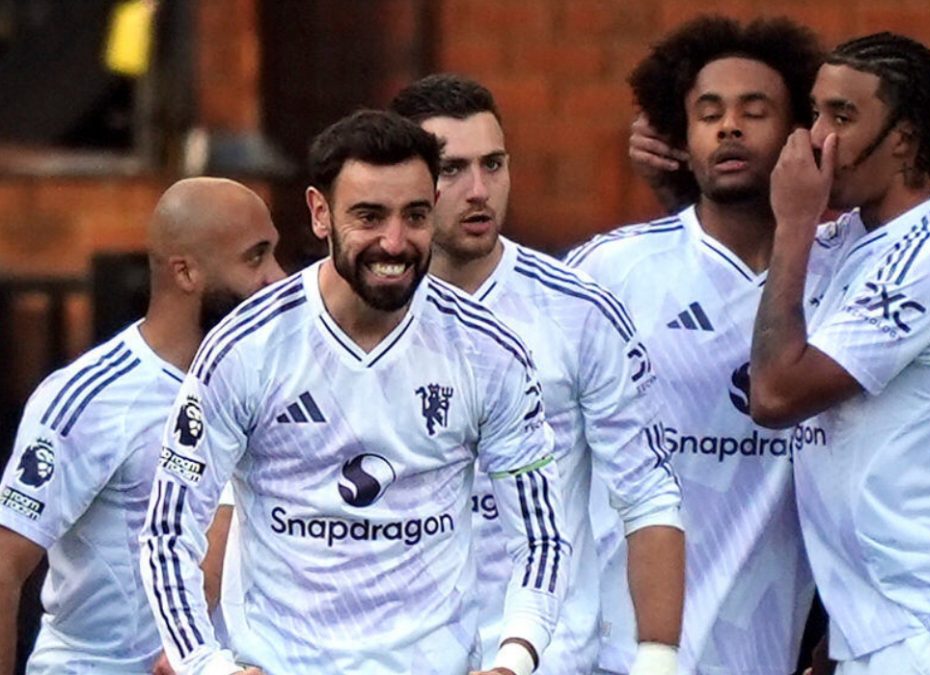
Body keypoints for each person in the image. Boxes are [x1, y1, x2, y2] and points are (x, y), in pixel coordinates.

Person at [139, 110, 570, 675]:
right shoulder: (246, 347)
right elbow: (169, 531)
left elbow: (541, 538)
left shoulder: (487, 351)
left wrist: (513, 660)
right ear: (321, 214)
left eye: (415, 215)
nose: (394, 241)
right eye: (369, 216)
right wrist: (206, 664)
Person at [749, 32, 930, 673]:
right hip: (876, 633)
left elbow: (775, 394)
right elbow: (747, 286)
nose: (818, 138)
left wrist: (795, 225)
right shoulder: (847, 238)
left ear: (904, 139)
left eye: (843, 117)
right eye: (816, 112)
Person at [391, 74, 685, 674]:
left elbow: (648, 495)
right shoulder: (353, 315)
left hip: (548, 658)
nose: (479, 190)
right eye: (453, 169)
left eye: (494, 165)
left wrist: (657, 659)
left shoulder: (577, 312)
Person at [567, 15, 823, 673]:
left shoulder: (838, 276)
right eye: (709, 113)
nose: (729, 126)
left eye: (754, 110)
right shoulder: (609, 272)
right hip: (613, 653)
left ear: (800, 132)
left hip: (761, 650)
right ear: (680, 137)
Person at [0, 177, 283, 674]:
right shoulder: (89, 398)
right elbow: (4, 565)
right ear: (186, 272)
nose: (278, 279)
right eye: (255, 258)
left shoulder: (265, 387)